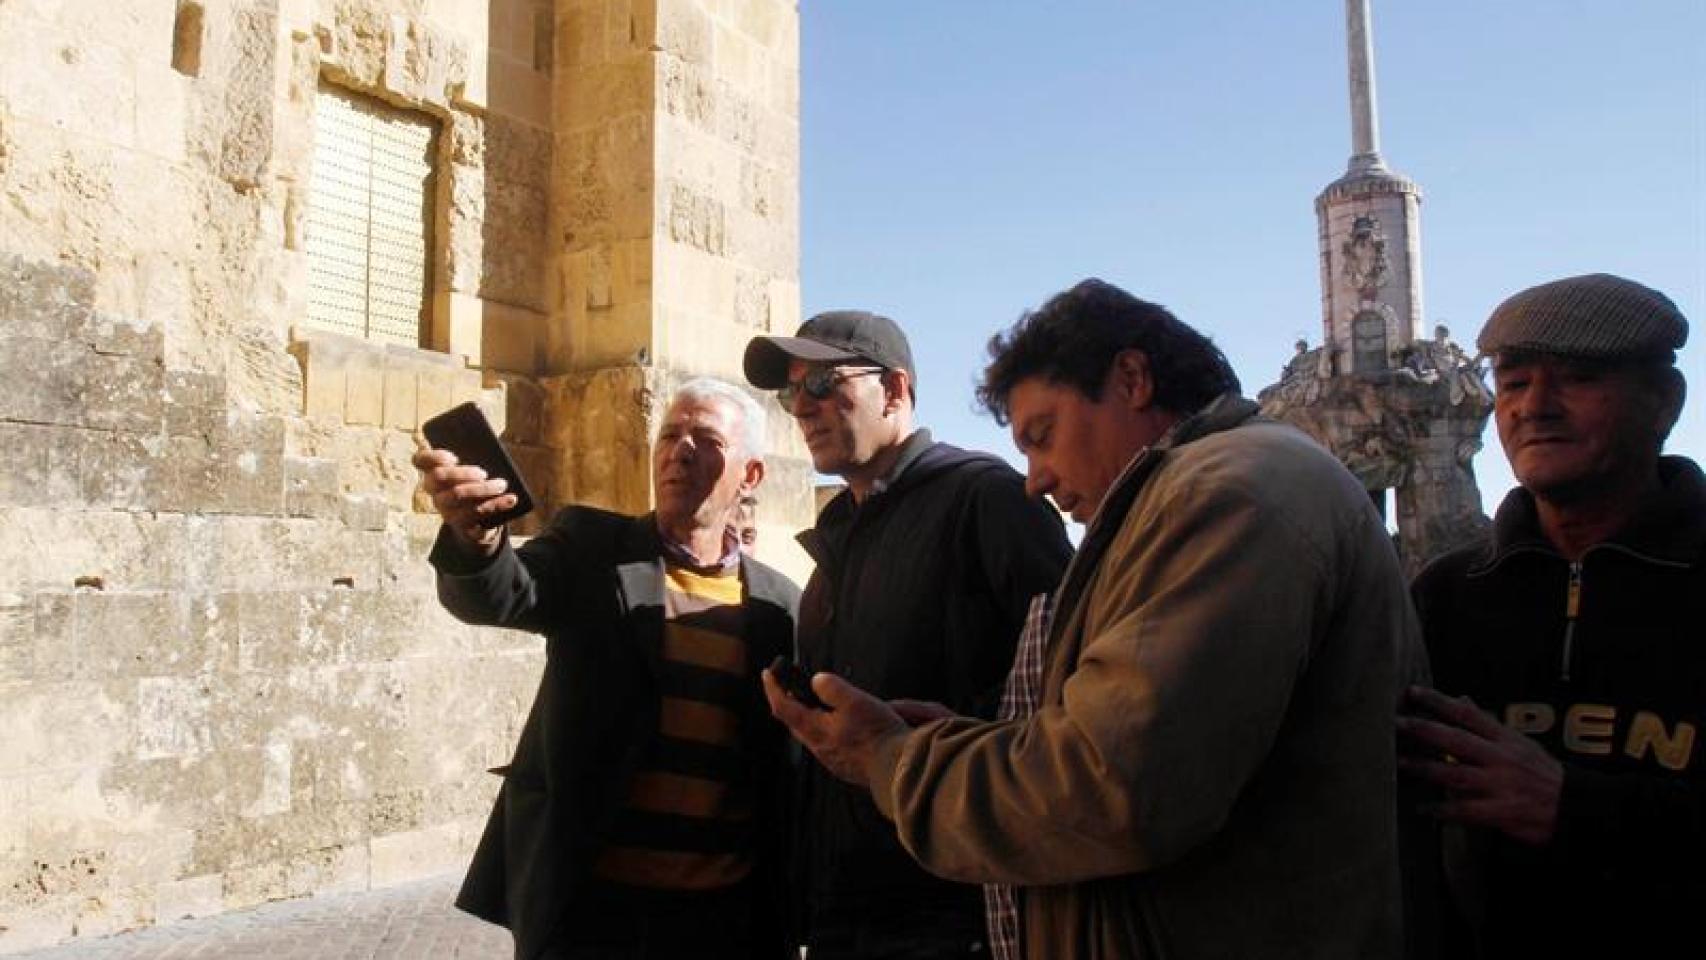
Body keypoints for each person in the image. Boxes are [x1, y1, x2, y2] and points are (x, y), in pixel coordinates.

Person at [763, 279, 1425, 959]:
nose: (1035, 480)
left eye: (1042, 436)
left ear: (1132, 379)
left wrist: (892, 760)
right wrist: (961, 742)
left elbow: (1110, 783)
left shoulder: (1229, 494)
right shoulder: (1201, 493)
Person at [413, 379, 801, 960]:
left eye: (707, 439)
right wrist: (479, 537)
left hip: (725, 921)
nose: (681, 451)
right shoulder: (591, 548)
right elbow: (501, 595)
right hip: (592, 915)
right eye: (669, 435)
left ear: (750, 476)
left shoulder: (781, 608)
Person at [743, 310, 1072, 959]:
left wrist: (923, 744)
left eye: (822, 385)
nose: (801, 410)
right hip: (844, 911)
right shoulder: (842, 534)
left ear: (894, 391)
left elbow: (1072, 687)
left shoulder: (986, 500)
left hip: (952, 913)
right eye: (790, 394)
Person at [1401, 273, 1700, 957]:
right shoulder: (1446, 595)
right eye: (1513, 384)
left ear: (1664, 402)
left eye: (1577, 377)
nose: (1535, 407)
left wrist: (1577, 807)